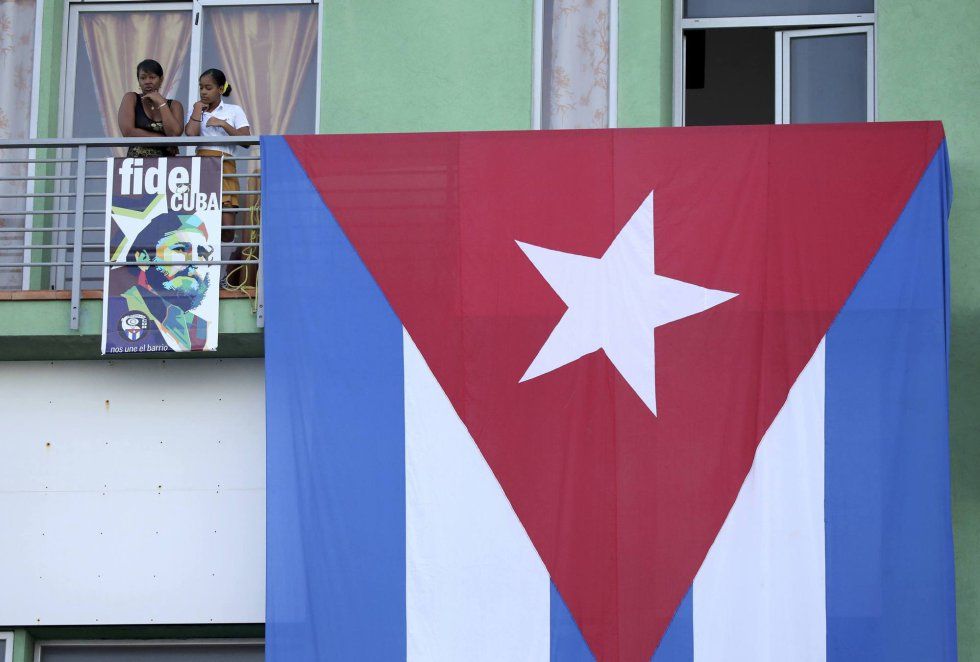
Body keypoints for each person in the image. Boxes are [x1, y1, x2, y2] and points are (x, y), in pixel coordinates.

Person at [107, 213, 216, 352]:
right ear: (143, 258)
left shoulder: (199, 326)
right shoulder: (121, 306)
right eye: (180, 249)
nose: (194, 262)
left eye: (202, 254)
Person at [184, 68, 251, 245]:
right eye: (201, 88)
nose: (203, 92)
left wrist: (224, 124)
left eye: (208, 87)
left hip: (225, 166)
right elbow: (191, 134)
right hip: (203, 166)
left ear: (220, 89)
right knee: (201, 223)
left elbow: (246, 140)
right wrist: (197, 110)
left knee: (227, 227)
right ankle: (205, 260)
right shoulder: (197, 111)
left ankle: (217, 263)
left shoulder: (233, 110)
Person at [117, 59, 184, 157]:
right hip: (136, 166)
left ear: (161, 79)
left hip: (166, 167)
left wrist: (161, 103)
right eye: (143, 78)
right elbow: (128, 131)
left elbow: (174, 135)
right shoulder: (131, 98)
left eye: (152, 77)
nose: (147, 81)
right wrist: (163, 140)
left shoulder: (174, 105)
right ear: (138, 81)